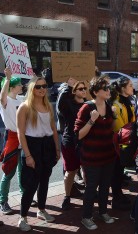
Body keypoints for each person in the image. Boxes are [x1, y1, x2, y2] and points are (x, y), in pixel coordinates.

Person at [16, 77, 60, 231]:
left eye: (44, 86)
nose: (42, 89)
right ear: (32, 89)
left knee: (45, 181)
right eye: (38, 86)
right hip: (32, 146)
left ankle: (41, 210)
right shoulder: (24, 107)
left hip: (47, 146)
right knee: (31, 185)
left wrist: (57, 148)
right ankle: (22, 217)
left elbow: (54, 130)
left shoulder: (48, 105)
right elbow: (20, 133)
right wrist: (28, 156)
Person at [74, 77, 116, 230]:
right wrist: (91, 120)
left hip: (108, 155)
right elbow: (78, 135)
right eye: (105, 88)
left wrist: (114, 117)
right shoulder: (86, 108)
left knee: (105, 186)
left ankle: (103, 212)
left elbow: (111, 129)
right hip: (91, 156)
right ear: (96, 92)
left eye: (108, 88)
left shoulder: (109, 105)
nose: (108, 91)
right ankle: (86, 217)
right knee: (91, 187)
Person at [58, 80, 86, 210]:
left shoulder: (88, 105)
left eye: (85, 88)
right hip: (70, 142)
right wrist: (68, 87)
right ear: (74, 91)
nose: (83, 90)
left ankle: (89, 192)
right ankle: (67, 196)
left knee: (86, 169)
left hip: (85, 143)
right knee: (70, 171)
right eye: (80, 89)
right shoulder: (68, 104)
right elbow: (60, 104)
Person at [0, 68, 24, 215]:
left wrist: (34, 79)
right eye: (19, 84)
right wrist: (7, 78)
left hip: (23, 136)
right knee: (9, 171)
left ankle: (24, 195)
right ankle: (3, 201)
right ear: (12, 87)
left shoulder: (20, 99)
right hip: (12, 138)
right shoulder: (6, 101)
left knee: (23, 170)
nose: (22, 86)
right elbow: (2, 96)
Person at [110, 77, 136, 210]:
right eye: (130, 85)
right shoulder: (116, 105)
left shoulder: (128, 102)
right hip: (118, 144)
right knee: (116, 171)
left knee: (120, 171)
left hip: (126, 141)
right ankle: (116, 197)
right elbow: (118, 128)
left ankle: (118, 194)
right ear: (123, 88)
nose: (133, 87)